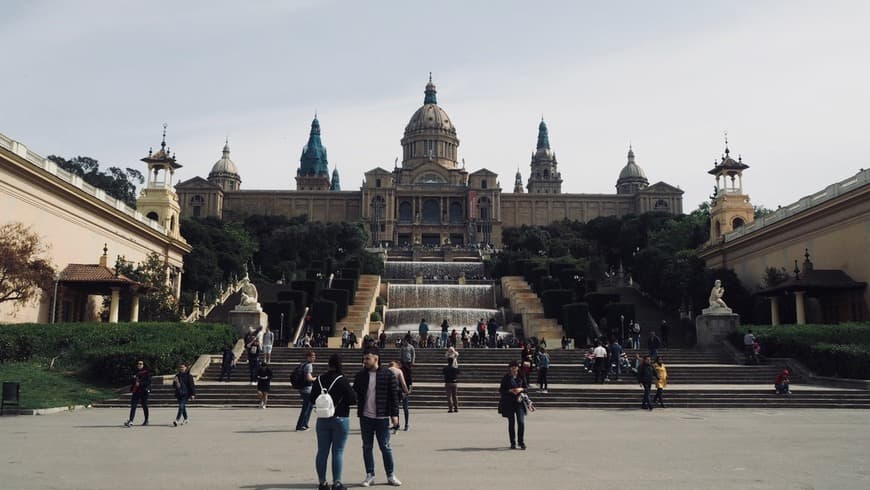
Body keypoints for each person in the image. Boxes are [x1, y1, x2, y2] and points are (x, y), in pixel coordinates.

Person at [353, 348, 402, 487]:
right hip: (366, 416)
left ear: (376, 359)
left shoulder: (388, 374)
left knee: (385, 447)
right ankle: (370, 475)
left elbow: (394, 396)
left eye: (367, 358)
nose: (365, 361)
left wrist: (395, 415)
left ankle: (390, 475)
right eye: (364, 359)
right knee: (367, 447)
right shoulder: (361, 375)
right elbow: (355, 392)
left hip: (382, 416)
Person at [311, 354, 357, 490]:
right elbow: (353, 400)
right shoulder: (342, 380)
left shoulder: (319, 379)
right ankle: (337, 482)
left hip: (323, 419)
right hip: (340, 418)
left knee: (322, 451)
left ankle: (322, 482)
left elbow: (312, 399)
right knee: (338, 451)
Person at [498, 360, 528, 450]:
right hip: (509, 403)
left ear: (518, 367)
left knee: (521, 422)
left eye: (515, 367)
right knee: (511, 423)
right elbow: (501, 390)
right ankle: (513, 442)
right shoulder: (506, 377)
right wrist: (510, 391)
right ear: (510, 368)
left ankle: (521, 441)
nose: (514, 368)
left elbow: (526, 388)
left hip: (519, 402)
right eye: (512, 367)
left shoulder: (521, 376)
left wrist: (520, 389)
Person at [124, 360, 151, 427]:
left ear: (143, 365)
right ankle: (131, 421)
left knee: (144, 405)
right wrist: (132, 379)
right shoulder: (135, 372)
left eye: (140, 364)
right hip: (136, 391)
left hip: (144, 391)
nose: (139, 365)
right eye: (138, 364)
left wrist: (140, 383)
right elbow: (132, 382)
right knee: (133, 406)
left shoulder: (147, 372)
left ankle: (146, 420)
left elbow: (148, 382)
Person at [296, 350, 317, 431]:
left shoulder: (303, 364)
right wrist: (316, 378)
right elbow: (309, 378)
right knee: (306, 408)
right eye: (312, 356)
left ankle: (305, 424)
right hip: (307, 390)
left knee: (309, 407)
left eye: (314, 356)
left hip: (303, 389)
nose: (314, 358)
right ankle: (300, 425)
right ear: (308, 357)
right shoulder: (309, 366)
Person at [388, 361, 411, 430]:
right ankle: (406, 425)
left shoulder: (386, 370)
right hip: (398, 391)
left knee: (395, 409)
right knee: (405, 407)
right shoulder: (398, 371)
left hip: (390, 392)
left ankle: (396, 424)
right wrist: (407, 391)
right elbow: (403, 383)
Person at [172, 362, 196, 426]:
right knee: (183, 407)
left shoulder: (189, 376)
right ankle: (186, 418)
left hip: (186, 394)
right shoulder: (177, 376)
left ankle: (177, 420)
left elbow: (192, 385)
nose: (181, 368)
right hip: (179, 393)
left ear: (186, 368)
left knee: (181, 406)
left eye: (182, 367)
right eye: (180, 367)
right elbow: (174, 386)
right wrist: (176, 383)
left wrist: (193, 394)